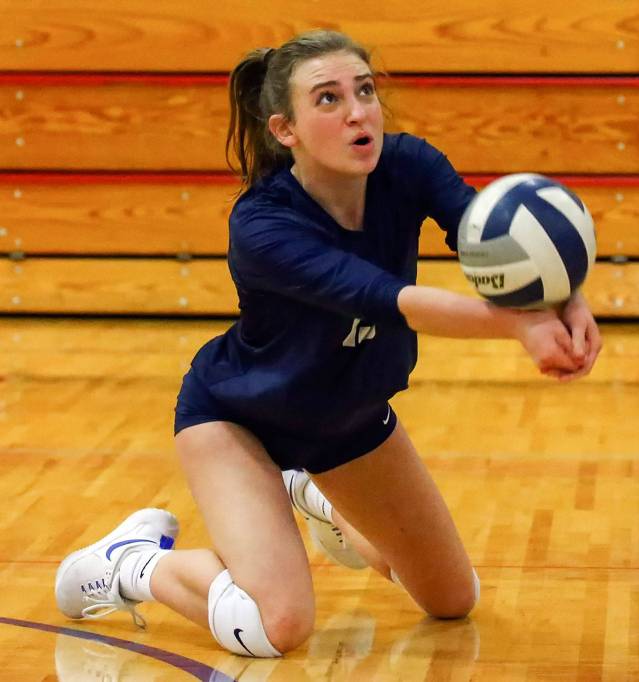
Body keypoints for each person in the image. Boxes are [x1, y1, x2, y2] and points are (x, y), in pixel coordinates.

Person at [53, 30, 602, 658]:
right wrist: (519, 325)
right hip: (239, 421)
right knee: (275, 627)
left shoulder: (408, 164)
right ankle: (133, 563)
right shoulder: (262, 226)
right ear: (285, 130)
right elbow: (387, 298)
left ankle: (310, 492)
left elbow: (500, 241)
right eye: (329, 99)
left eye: (364, 90)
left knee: (453, 600)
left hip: (349, 421)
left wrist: (565, 297)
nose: (358, 112)